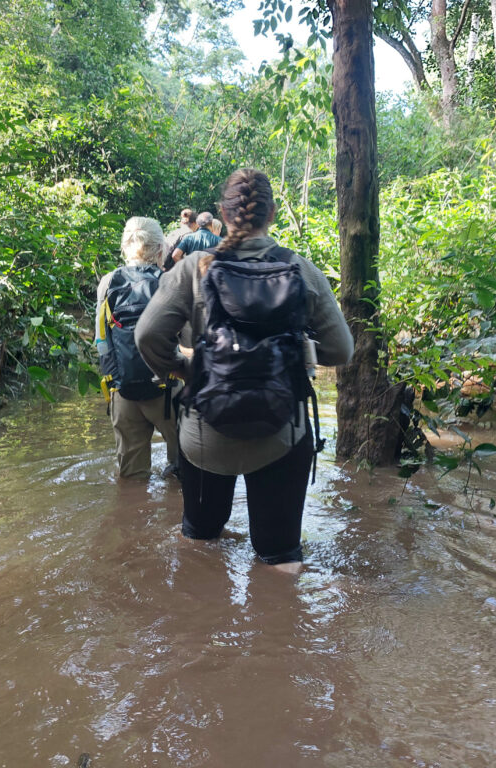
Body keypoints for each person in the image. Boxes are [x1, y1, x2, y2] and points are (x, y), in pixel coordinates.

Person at [135, 169, 354, 572]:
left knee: (199, 544)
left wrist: (184, 368)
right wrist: (293, 351)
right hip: (281, 435)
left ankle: (198, 623)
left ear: (222, 212)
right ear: (271, 212)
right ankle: (280, 627)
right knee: (281, 559)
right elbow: (341, 350)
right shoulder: (300, 271)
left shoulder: (194, 269)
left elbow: (147, 335)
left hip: (205, 434)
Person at [96, 217, 180, 480]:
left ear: (125, 248)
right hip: (169, 392)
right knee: (185, 472)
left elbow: (102, 341)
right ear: (159, 251)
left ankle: (131, 519)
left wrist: (113, 385)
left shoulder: (108, 283)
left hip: (123, 392)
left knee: (131, 479)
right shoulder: (171, 282)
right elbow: (187, 339)